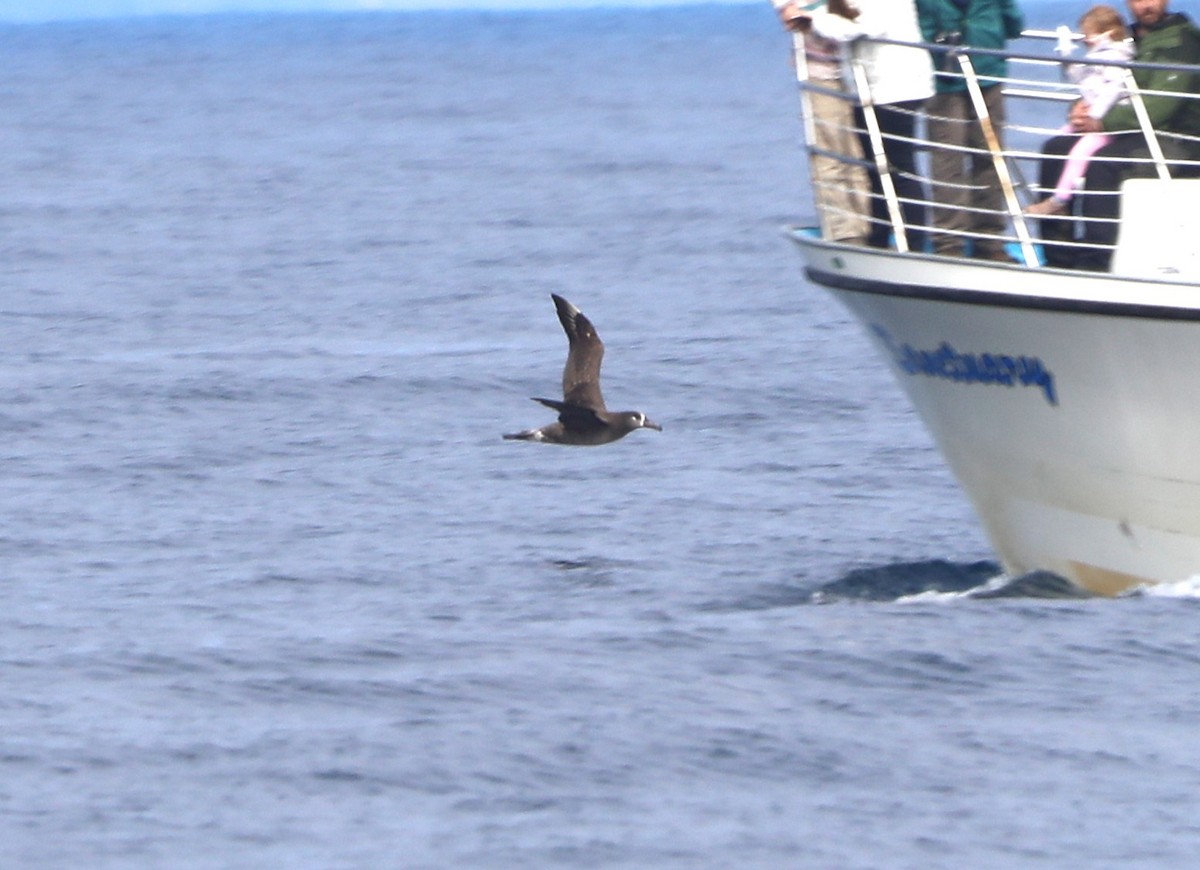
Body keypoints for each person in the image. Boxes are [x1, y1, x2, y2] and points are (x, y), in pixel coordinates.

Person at [1037, 0, 1200, 271]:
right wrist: (1080, 109)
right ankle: (1058, 260)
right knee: (1056, 148)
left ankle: (1095, 262)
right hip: (1128, 130)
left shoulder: (1184, 43)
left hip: (1178, 138)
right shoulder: (1124, 39)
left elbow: (1160, 107)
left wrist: (1100, 122)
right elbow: (1101, 84)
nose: (1145, 5)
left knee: (1104, 163)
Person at [779, 0, 936, 252]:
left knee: (899, 169)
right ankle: (880, 238)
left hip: (894, 87)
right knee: (878, 170)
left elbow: (861, 25)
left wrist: (812, 19)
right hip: (883, 86)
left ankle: (913, 244)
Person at [916, 0, 1025, 261]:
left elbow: (1013, 24)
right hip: (944, 78)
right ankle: (950, 242)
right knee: (948, 161)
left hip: (987, 72)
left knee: (987, 158)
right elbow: (918, 25)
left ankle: (988, 241)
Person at [774, 0, 872, 243]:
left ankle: (868, 225)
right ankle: (844, 230)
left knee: (860, 154)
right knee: (830, 154)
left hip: (863, 66)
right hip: (822, 68)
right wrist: (788, 8)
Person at [1026, 5, 1133, 217]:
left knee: (1079, 152)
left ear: (1107, 33)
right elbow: (1080, 78)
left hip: (1109, 123)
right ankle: (1048, 190)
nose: (1084, 39)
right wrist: (1066, 55)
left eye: (1088, 35)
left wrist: (1096, 115)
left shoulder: (1115, 58)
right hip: (1094, 116)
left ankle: (1060, 200)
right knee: (1057, 142)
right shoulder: (1098, 55)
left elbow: (1113, 89)